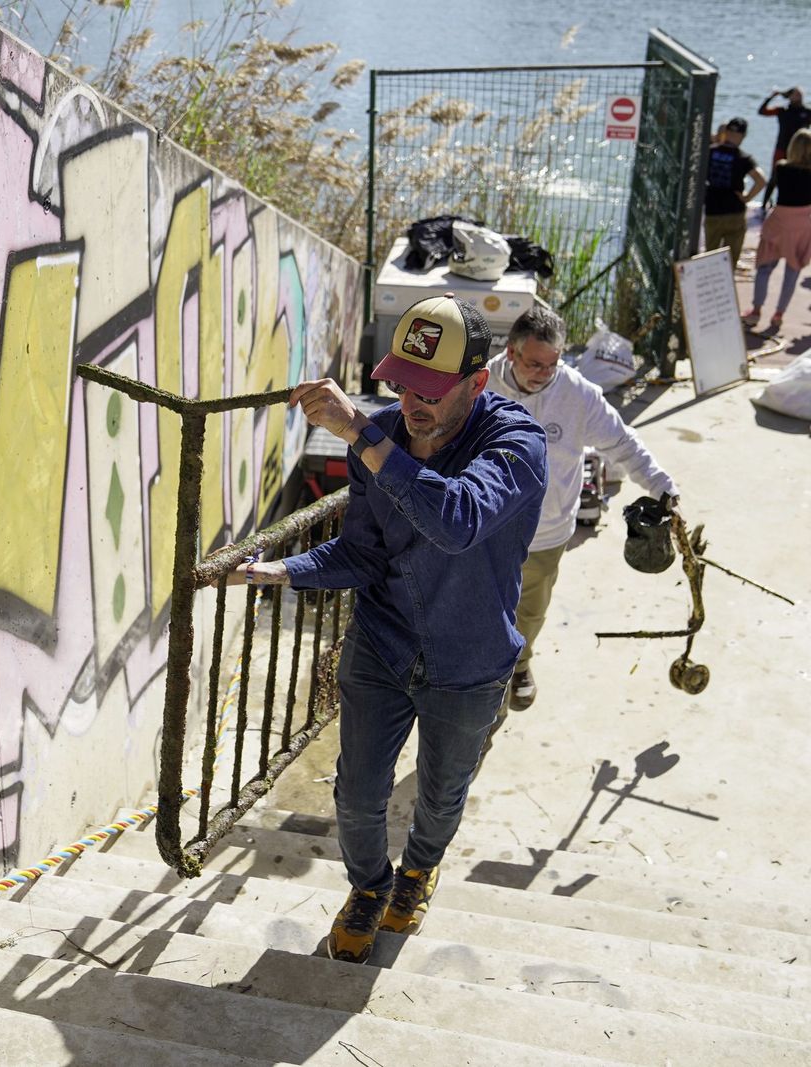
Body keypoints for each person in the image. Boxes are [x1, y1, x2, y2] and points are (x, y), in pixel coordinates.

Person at [232, 293, 546, 964]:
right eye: (403, 383)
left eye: (431, 388)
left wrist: (363, 437)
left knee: (439, 793)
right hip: (381, 643)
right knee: (358, 792)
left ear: (478, 381)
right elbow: (362, 551)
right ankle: (369, 885)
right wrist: (282, 572)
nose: (412, 402)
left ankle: (418, 871)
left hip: (470, 660)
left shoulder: (517, 443)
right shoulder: (382, 437)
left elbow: (456, 519)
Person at [485, 305, 677, 721]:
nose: (545, 373)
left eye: (552, 364)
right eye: (535, 363)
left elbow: (622, 444)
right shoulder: (479, 386)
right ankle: (479, 683)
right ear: (512, 354)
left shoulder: (577, 394)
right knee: (479, 608)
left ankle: (519, 664)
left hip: (547, 531)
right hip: (484, 529)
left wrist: (661, 485)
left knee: (530, 612)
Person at [745, 128, 811, 333]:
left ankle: (756, 310)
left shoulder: (782, 168)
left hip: (779, 222)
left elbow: (771, 188)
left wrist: (763, 208)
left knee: (764, 268)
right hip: (802, 226)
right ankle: (779, 314)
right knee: (792, 272)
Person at [704, 117, 766, 269]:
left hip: (713, 209)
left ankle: (708, 287)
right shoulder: (744, 158)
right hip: (735, 211)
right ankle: (725, 289)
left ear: (725, 132)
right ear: (743, 136)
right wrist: (747, 198)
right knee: (730, 259)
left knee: (710, 254)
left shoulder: (710, 152)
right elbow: (761, 180)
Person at [758, 87, 811, 207]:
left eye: (801, 94)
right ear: (790, 96)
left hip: (802, 150)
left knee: (801, 177)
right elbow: (762, 111)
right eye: (797, 94)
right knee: (775, 177)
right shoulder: (782, 111)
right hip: (782, 148)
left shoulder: (807, 112)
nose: (800, 96)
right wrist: (771, 97)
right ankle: (764, 205)